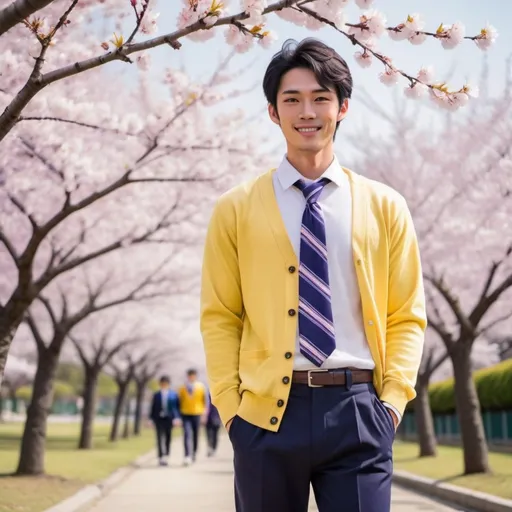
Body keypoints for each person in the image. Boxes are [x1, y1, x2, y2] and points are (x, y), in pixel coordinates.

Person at [200, 38, 427, 512]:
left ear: (342, 107)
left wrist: (391, 405)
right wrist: (231, 410)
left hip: (360, 410)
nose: (307, 111)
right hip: (264, 417)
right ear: (272, 112)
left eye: (321, 97)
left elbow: (405, 315)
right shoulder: (235, 208)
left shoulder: (385, 206)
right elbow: (221, 316)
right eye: (292, 99)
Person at [178, 368, 208, 465]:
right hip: (185, 413)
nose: (191, 377)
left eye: (193, 375)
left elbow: (205, 401)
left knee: (195, 434)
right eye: (189, 375)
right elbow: (179, 401)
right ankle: (187, 455)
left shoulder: (201, 387)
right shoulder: (182, 388)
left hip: (197, 413)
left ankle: (194, 452)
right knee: (187, 433)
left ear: (195, 376)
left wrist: (204, 414)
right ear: (188, 376)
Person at [149, 375, 180, 466]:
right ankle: (160, 456)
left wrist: (177, 418)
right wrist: (151, 419)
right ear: (160, 384)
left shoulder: (173, 395)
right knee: (159, 437)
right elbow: (153, 408)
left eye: (165, 384)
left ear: (168, 384)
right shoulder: (156, 395)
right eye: (162, 384)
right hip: (159, 419)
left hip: (169, 419)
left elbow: (176, 407)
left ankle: (166, 455)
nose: (164, 385)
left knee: (168, 437)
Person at [205, 392, 222, 457]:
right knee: (209, 434)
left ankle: (214, 448)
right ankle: (210, 448)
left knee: (215, 435)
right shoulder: (207, 396)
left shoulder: (219, 396)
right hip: (208, 418)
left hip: (216, 418)